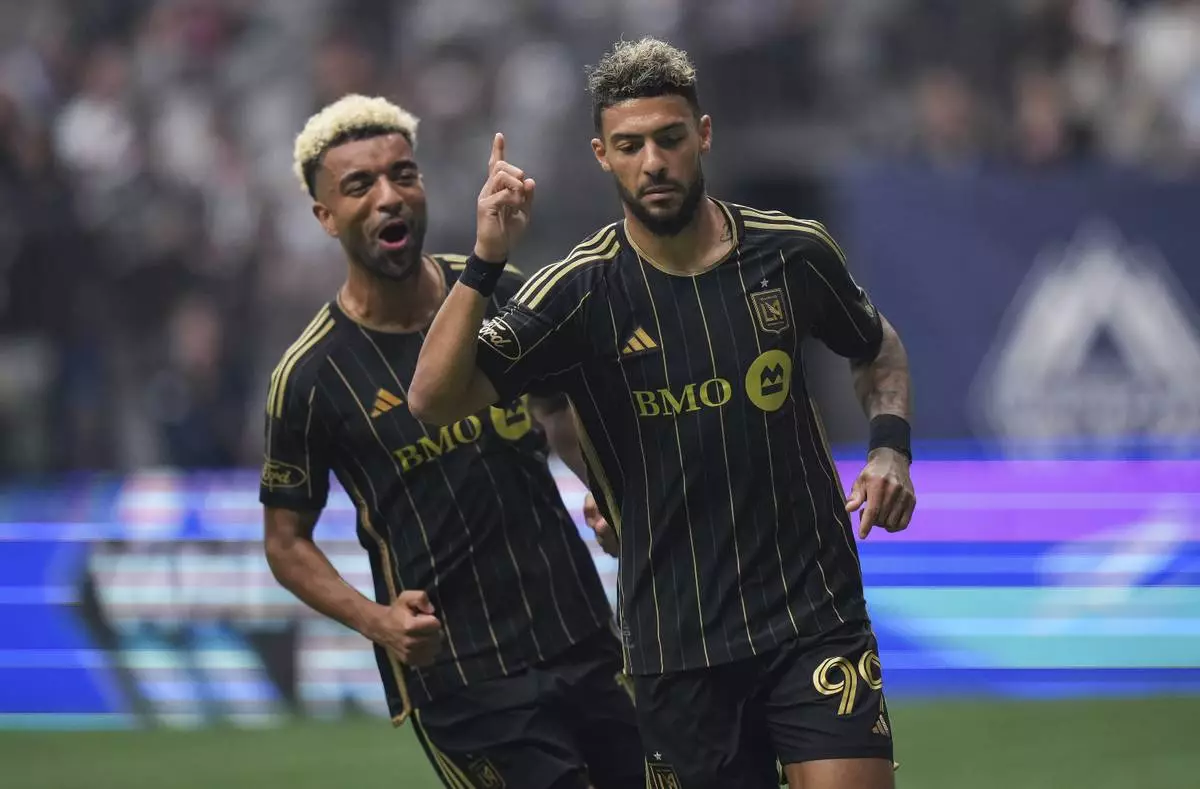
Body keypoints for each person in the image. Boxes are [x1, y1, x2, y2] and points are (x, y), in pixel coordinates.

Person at [409, 38, 917, 789]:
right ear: (601, 155)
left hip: (812, 616)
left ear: (702, 135)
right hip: (674, 645)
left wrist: (889, 450)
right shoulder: (576, 293)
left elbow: (877, 347)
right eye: (630, 145)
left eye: (669, 138)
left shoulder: (792, 253)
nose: (653, 162)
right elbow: (432, 398)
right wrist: (485, 260)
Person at [260, 94, 644, 789]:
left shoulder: (501, 293)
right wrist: (378, 621)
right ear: (325, 216)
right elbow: (286, 542)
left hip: (583, 633)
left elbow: (560, 411)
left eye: (403, 174)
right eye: (359, 185)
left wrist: (606, 491)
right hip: (463, 677)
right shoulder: (310, 377)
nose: (388, 196)